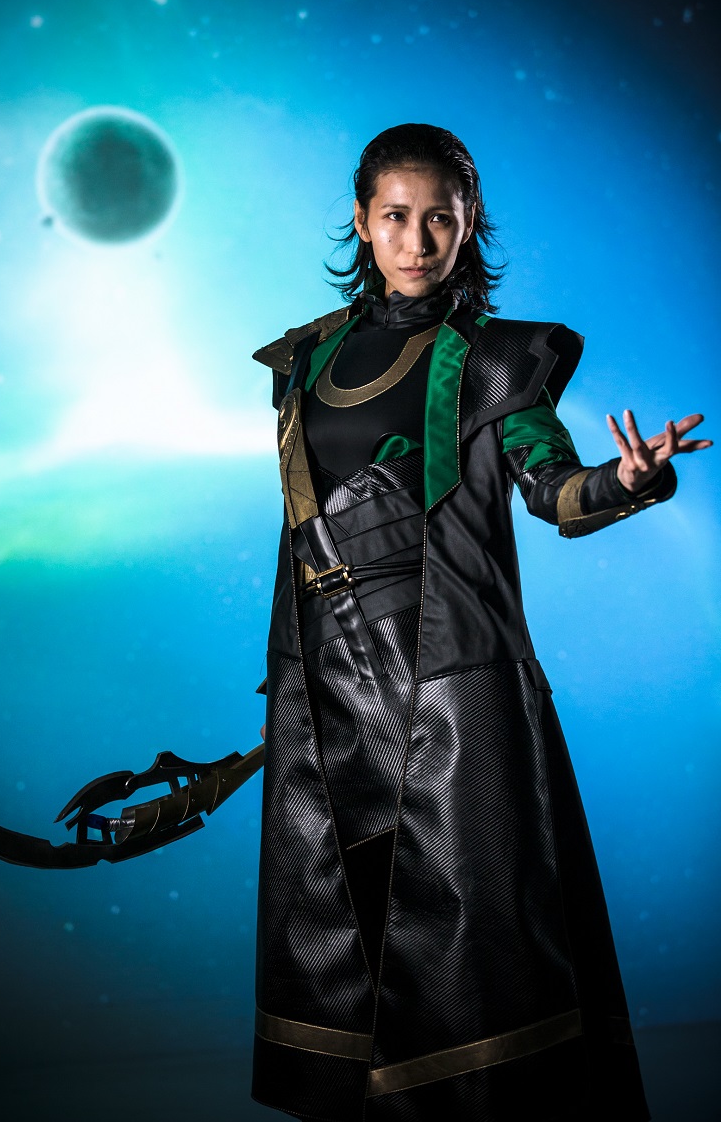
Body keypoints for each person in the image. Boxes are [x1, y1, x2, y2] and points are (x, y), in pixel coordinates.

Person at [249, 123, 710, 1122]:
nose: (416, 240)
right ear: (361, 221)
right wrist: (293, 667)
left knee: (473, 953)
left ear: (468, 227)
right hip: (326, 688)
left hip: (452, 690)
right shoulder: (304, 360)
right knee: (346, 941)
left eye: (440, 220)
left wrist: (630, 480)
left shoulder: (499, 363)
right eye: (395, 216)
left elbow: (555, 490)